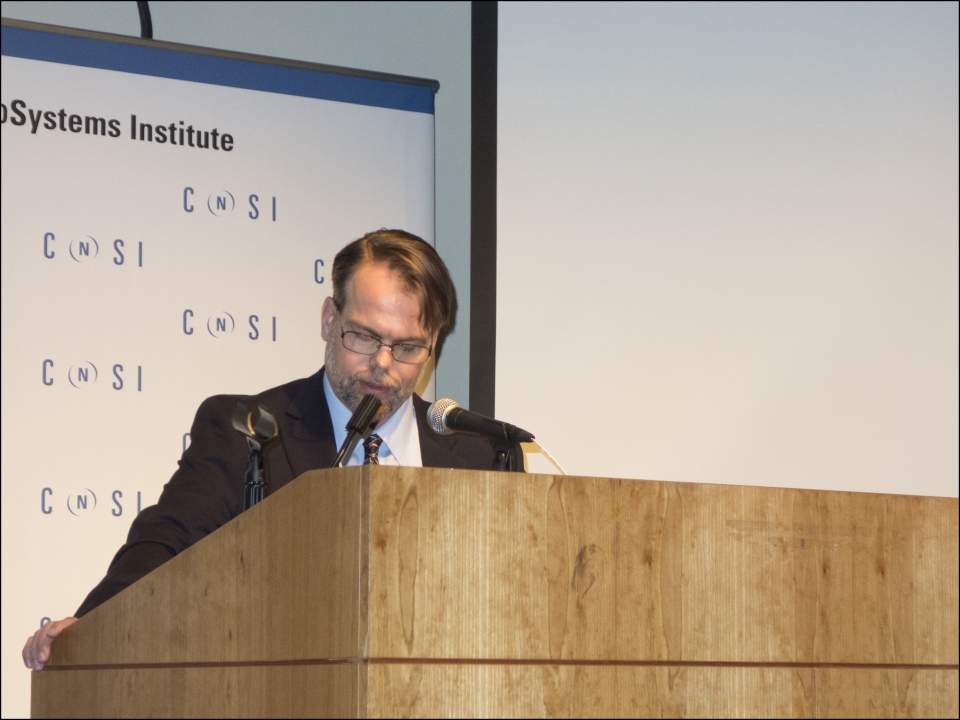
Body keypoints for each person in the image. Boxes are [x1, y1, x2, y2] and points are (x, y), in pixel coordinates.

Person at [23, 228, 522, 671]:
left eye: (407, 347)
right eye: (364, 337)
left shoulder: (480, 455)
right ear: (329, 319)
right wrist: (88, 628)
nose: (382, 365)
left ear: (432, 342)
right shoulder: (247, 431)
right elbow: (165, 543)